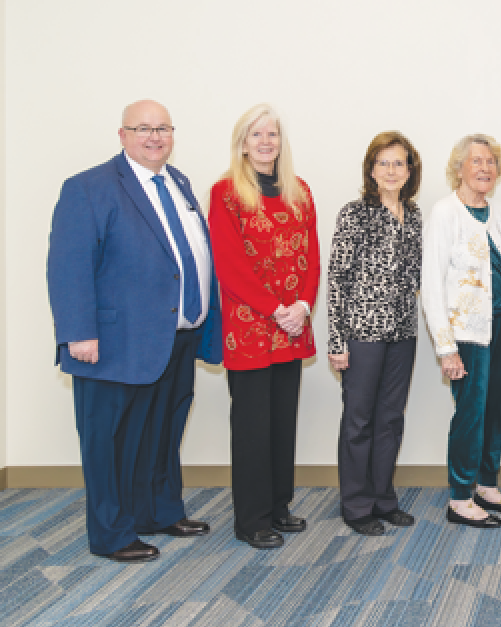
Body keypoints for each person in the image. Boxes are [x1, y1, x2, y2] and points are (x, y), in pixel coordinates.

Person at [47, 100, 221, 562]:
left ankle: (159, 512)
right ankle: (111, 533)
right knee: (111, 442)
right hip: (112, 344)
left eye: (162, 128)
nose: (154, 136)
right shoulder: (90, 187)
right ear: (122, 135)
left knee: (163, 433)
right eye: (143, 128)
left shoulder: (177, 183)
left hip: (175, 336)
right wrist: (78, 332)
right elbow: (68, 266)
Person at [209, 104, 319, 549]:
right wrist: (276, 309)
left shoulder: (300, 190)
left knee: (281, 422)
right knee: (253, 426)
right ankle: (251, 519)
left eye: (272, 134)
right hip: (251, 328)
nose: (266, 142)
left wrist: (304, 307)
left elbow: (311, 258)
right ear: (243, 142)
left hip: (292, 327)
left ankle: (278, 506)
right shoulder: (225, 193)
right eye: (257, 135)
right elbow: (230, 267)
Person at [421, 134, 501, 528]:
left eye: (491, 162)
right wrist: (446, 347)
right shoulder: (445, 213)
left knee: (497, 405)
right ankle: (460, 495)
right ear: (459, 168)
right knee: (471, 410)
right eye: (476, 161)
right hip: (466, 333)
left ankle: (486, 481)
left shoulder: (498, 213)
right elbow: (431, 284)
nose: (484, 168)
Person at [327, 132, 423, 536]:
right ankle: (356, 504)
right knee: (359, 420)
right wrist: (335, 341)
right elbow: (337, 279)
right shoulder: (355, 213)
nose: (390, 170)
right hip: (362, 333)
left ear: (409, 170)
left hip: (403, 331)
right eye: (383, 162)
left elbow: (420, 276)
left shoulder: (415, 215)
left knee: (390, 419)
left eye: (398, 163)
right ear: (371, 169)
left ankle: (384, 498)